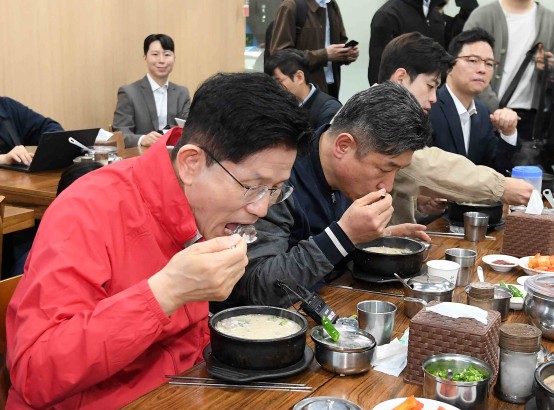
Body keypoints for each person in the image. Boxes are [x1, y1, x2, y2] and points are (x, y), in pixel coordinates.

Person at [4, 72, 312, 410]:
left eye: (275, 190)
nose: (262, 208)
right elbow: (37, 374)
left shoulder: (202, 213)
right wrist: (165, 293)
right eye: (253, 187)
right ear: (191, 163)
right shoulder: (87, 210)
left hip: (173, 402)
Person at [216, 82, 430, 310]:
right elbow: (257, 287)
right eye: (385, 169)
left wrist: (370, 242)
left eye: (398, 171)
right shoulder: (279, 178)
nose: (387, 186)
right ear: (344, 146)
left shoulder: (348, 181)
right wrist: (344, 236)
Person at [373, 32, 533, 225]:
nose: (433, 98)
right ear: (400, 78)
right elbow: (421, 164)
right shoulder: (376, 114)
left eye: (489, 63)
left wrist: (421, 202)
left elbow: (400, 185)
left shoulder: (482, 112)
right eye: (430, 86)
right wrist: (500, 187)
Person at [464, 0, 554, 141]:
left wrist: (551, 64)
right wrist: (493, 106)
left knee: (525, 160)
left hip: (532, 117)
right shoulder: (483, 16)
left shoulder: (551, 20)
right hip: (484, 112)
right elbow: (465, 64)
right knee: (485, 161)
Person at [429, 29, 519, 175]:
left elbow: (496, 171)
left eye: (489, 64)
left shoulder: (483, 113)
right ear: (450, 65)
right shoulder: (430, 107)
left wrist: (508, 133)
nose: (482, 69)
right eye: (472, 61)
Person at [112, 34, 191, 148]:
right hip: (140, 158)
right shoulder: (129, 93)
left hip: (174, 158)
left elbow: (188, 128)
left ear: (174, 58)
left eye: (167, 54)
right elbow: (120, 133)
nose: (161, 60)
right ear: (145, 58)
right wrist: (142, 139)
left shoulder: (182, 93)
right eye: (155, 54)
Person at [270, 0, 357, 99]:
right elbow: (280, 55)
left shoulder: (331, 4)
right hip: (303, 90)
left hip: (332, 86)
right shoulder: (291, 5)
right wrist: (324, 55)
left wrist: (345, 54)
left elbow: (339, 41)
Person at [368, 0, 446, 86]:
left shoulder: (435, 16)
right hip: (399, 94)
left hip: (433, 92)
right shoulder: (388, 15)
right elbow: (378, 70)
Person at [265, 49, 342, 129]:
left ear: (299, 77)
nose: (274, 87)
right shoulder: (279, 106)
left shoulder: (328, 110)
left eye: (278, 82)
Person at [0, 96, 63, 167]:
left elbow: (47, 126)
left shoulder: (6, 106)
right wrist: (4, 158)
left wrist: (49, 150)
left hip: (19, 176)